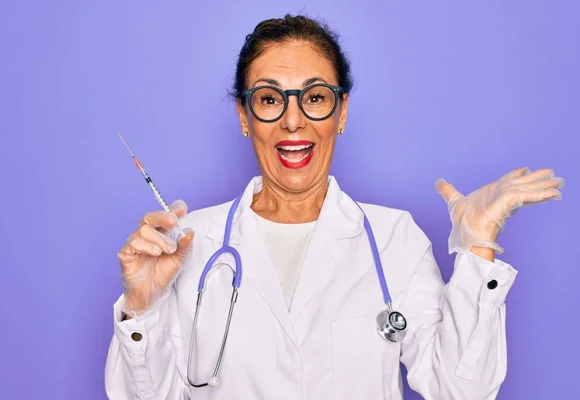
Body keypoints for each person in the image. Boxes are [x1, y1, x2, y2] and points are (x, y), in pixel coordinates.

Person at [104, 14, 564, 400]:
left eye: (315, 97)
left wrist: (477, 247)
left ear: (341, 112)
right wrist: (142, 308)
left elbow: (461, 388)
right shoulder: (186, 245)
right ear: (244, 118)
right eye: (268, 99)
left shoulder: (392, 238)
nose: (292, 119)